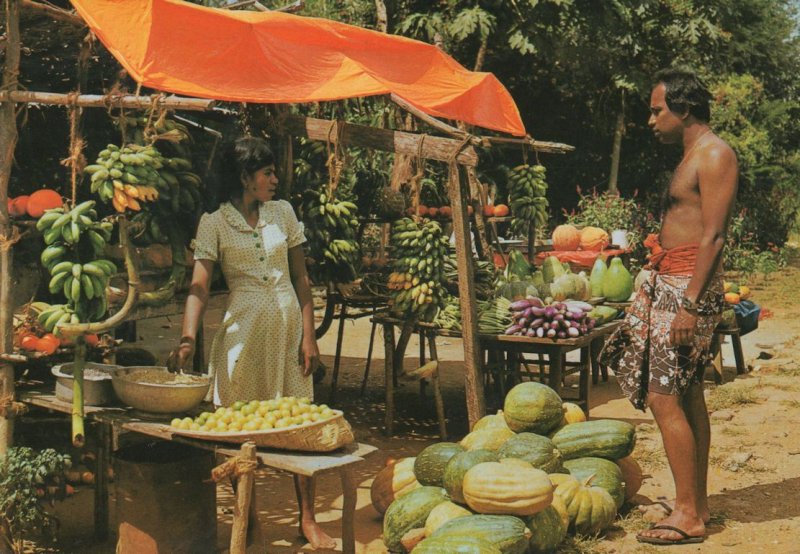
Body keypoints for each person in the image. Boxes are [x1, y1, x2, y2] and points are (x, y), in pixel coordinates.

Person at [168, 136, 336, 550]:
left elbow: (301, 280)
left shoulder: (283, 213)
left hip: (288, 333)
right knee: (242, 431)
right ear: (245, 177)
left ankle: (308, 519)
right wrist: (188, 338)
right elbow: (199, 288)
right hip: (241, 337)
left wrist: (310, 336)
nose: (275, 179)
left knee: (301, 425)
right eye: (267, 173)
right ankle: (251, 516)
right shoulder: (214, 223)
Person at [600, 68, 738, 546]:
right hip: (674, 281)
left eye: (658, 109)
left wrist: (690, 305)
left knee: (663, 397)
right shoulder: (691, 155)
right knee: (687, 392)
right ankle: (695, 504)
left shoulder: (715, 154)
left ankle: (687, 515)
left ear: (685, 110)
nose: (651, 118)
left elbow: (714, 235)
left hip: (687, 289)